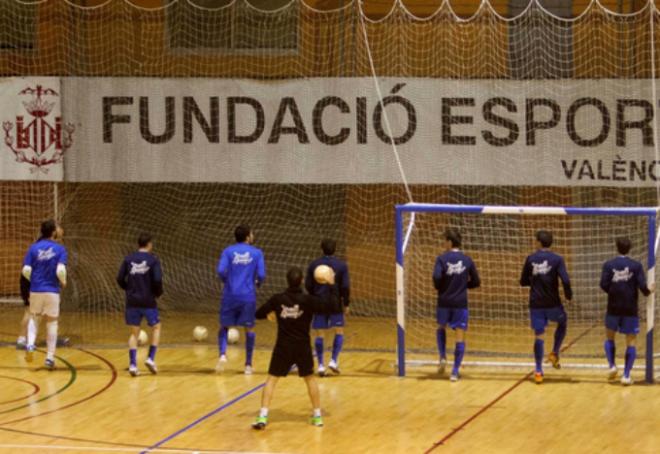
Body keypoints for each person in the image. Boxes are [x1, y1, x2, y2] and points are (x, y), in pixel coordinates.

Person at [252, 266, 342, 430]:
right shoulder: (308, 300)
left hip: (283, 346)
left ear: (287, 280)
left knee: (272, 379)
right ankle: (317, 416)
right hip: (302, 346)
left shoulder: (277, 299)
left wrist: (268, 314)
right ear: (301, 281)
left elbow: (257, 314)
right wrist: (331, 284)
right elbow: (333, 306)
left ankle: (263, 416)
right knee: (310, 379)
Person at [520, 230, 572, 384]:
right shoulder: (557, 259)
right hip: (553, 303)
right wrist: (569, 294)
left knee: (539, 336)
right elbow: (566, 280)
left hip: (536, 304)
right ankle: (555, 352)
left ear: (538, 242)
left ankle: (538, 371)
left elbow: (523, 281)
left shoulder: (531, 258)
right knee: (562, 322)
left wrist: (535, 281)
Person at [599, 237, 653, 385]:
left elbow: (603, 284)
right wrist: (649, 291)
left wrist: (614, 292)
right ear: (630, 248)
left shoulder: (609, 265)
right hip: (630, 308)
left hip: (613, 307)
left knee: (610, 337)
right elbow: (643, 287)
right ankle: (626, 376)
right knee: (631, 341)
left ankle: (611, 366)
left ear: (616, 247)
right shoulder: (636, 265)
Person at [216, 225, 266, 374]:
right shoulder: (257, 253)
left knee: (224, 326)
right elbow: (262, 275)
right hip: (247, 296)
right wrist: (257, 283)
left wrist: (227, 280)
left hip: (230, 294)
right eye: (252, 233)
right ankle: (248, 365)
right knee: (249, 328)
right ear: (247, 237)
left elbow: (220, 270)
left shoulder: (228, 251)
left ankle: (223, 355)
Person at [432, 228, 480, 382]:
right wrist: (464, 286)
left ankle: (442, 356)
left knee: (441, 327)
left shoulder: (441, 259)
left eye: (444, 240)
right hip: (460, 303)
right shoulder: (467, 260)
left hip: (444, 302)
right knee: (459, 336)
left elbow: (436, 277)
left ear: (449, 242)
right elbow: (476, 281)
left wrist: (442, 287)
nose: (443, 243)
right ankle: (454, 371)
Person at [22, 220, 68, 370]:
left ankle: (30, 346)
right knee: (52, 322)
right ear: (53, 232)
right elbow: (60, 270)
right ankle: (49, 358)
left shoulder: (33, 248)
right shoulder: (60, 249)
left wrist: (34, 280)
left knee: (34, 318)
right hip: (52, 291)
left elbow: (26, 270)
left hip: (35, 289)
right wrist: (63, 281)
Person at [116, 233, 163, 376]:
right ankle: (150, 358)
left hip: (132, 301)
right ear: (149, 244)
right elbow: (157, 279)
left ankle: (132, 365)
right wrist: (157, 293)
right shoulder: (153, 260)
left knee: (134, 333)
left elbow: (119, 278)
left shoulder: (128, 259)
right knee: (156, 327)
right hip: (148, 300)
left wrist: (128, 289)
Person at [306, 238, 350, 376]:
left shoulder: (314, 264)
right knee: (339, 331)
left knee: (320, 334)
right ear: (335, 249)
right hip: (334, 302)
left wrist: (315, 296)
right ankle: (333, 360)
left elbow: (308, 285)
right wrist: (346, 304)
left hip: (319, 301)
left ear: (321, 248)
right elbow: (345, 287)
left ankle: (320, 365)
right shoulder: (341, 266)